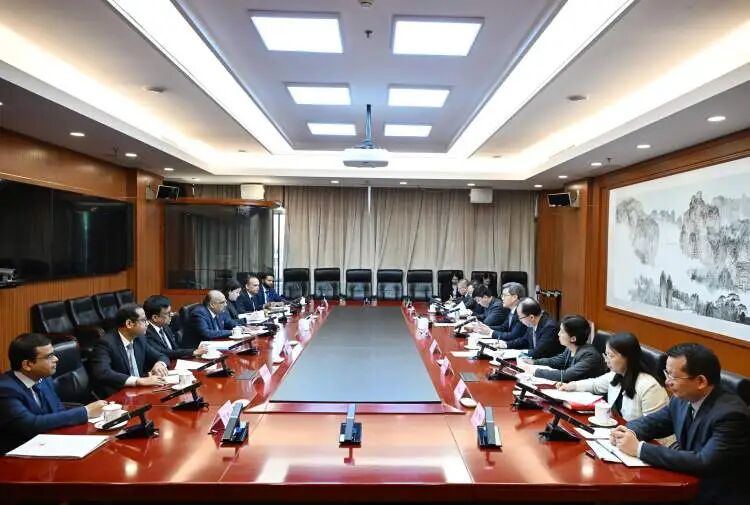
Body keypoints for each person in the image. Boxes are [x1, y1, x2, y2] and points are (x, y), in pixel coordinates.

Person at [611, 343, 750, 505]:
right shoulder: (682, 399)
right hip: (684, 482)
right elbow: (653, 423)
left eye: (673, 377)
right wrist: (626, 431)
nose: (667, 382)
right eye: (666, 373)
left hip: (714, 495)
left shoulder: (731, 415)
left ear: (700, 381)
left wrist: (639, 449)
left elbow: (705, 462)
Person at [0, 333, 107, 454]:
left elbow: (57, 410)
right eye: (49, 356)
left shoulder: (43, 378)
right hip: (17, 456)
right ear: (27, 365)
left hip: (48, 444)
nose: (56, 359)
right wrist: (85, 411)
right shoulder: (5, 389)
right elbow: (30, 424)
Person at [558, 332, 668, 422]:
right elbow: (595, 384)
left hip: (640, 439)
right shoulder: (617, 375)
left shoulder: (650, 387)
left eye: (611, 356)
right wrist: (572, 386)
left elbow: (653, 425)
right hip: (618, 432)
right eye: (606, 355)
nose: (606, 360)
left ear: (628, 357)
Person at [87, 304, 169, 398]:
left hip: (140, 391)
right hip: (118, 394)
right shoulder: (106, 343)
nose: (147, 323)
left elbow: (161, 356)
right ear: (129, 324)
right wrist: (138, 381)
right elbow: (103, 372)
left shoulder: (139, 339)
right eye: (143, 320)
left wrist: (159, 364)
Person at [517, 314, 606, 382]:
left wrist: (535, 371)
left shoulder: (589, 356)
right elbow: (559, 360)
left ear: (573, 338)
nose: (558, 334)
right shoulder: (571, 348)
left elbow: (566, 375)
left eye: (562, 332)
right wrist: (535, 362)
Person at [492, 297, 562, 359]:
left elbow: (538, 352)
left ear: (531, 317)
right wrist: (505, 344)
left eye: (520, 317)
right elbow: (524, 340)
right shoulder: (532, 323)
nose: (520, 320)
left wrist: (515, 353)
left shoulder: (550, 327)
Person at [143, 295, 207, 360]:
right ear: (155, 318)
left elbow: (175, 349)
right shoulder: (146, 333)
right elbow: (164, 352)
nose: (171, 315)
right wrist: (193, 352)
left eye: (170, 312)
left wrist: (194, 352)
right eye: (168, 313)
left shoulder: (164, 326)